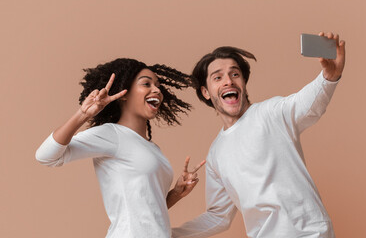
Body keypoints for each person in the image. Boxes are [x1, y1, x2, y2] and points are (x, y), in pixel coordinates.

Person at [173, 32, 345, 238]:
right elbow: (218, 216)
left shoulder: (271, 112)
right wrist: (169, 234)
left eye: (234, 74)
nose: (228, 81)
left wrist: (329, 76)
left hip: (309, 233)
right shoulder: (215, 155)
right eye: (217, 77)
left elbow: (308, 105)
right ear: (206, 92)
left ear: (243, 81)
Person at [35, 58, 206, 238]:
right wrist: (83, 114)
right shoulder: (112, 135)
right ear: (124, 93)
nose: (156, 90)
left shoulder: (153, 148)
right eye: (146, 84)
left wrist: (176, 193)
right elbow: (46, 156)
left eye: (157, 85)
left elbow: (145, 210)